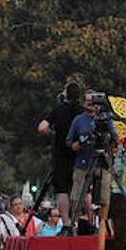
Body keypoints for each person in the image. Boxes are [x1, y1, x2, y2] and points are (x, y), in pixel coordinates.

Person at [65, 93, 117, 224]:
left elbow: (115, 138)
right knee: (76, 195)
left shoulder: (106, 119)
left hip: (102, 162)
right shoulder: (78, 120)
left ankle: (102, 225)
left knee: (104, 196)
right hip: (83, 162)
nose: (91, 104)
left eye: (94, 102)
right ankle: (74, 223)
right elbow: (69, 142)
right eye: (88, 101)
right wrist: (77, 144)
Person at [38, 81, 83, 230]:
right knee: (82, 188)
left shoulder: (58, 109)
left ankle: (66, 222)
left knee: (62, 189)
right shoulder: (83, 111)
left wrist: (54, 135)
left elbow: (42, 127)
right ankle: (82, 220)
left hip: (61, 155)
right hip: (81, 154)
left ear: (65, 94)